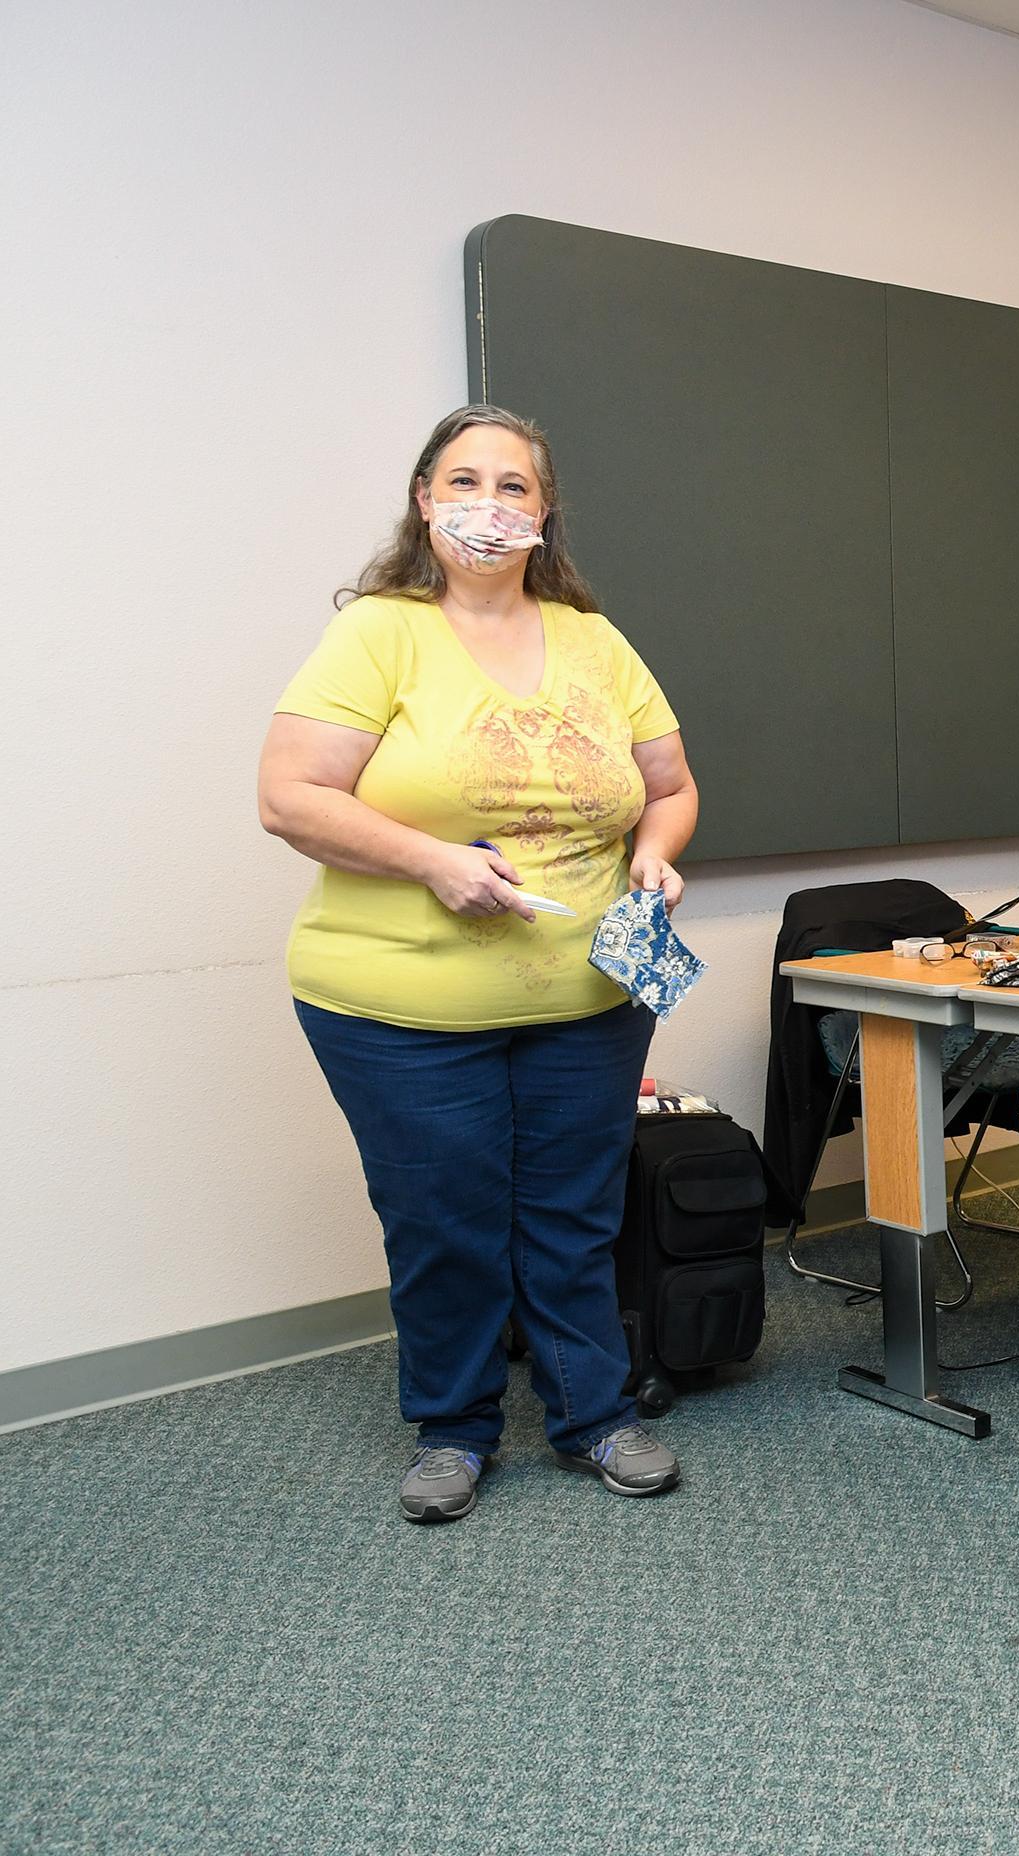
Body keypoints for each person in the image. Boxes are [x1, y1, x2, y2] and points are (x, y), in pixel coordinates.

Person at [258, 405, 700, 1523]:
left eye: (515, 486)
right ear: (424, 499)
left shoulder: (596, 640)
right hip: (398, 1005)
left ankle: (594, 1414)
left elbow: (672, 785)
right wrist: (431, 863)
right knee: (446, 1216)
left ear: (545, 512)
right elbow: (290, 795)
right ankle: (452, 1428)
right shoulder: (380, 633)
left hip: (590, 993)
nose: (490, 505)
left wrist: (652, 856)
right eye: (466, 480)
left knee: (573, 1212)